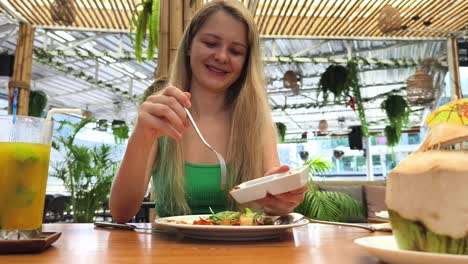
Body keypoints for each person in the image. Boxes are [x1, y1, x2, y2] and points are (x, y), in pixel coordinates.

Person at [109, 0, 307, 223]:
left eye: (236, 51)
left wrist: (280, 203)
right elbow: (121, 212)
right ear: (189, 45)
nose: (222, 56)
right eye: (211, 43)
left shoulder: (256, 124)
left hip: (243, 255)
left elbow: (274, 210)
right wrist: (141, 136)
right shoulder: (162, 114)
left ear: (246, 62)